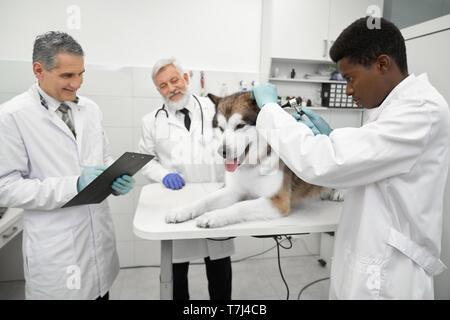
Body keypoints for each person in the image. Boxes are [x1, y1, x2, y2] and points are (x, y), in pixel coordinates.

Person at [252, 17, 450, 299]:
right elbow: (374, 166)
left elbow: (325, 163)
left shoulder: (422, 109)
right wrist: (330, 135)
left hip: (391, 275)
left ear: (382, 64)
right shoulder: (391, 106)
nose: (347, 90)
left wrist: (270, 111)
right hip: (369, 259)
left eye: (349, 78)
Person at [0, 31, 135, 299]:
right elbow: (6, 188)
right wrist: (74, 184)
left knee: (100, 292)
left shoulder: (90, 109)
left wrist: (114, 178)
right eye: (67, 76)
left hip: (98, 245)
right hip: (56, 256)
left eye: (81, 74)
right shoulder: (12, 116)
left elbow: (103, 157)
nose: (77, 84)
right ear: (39, 70)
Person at [138, 58, 234, 300]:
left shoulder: (215, 108)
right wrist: (163, 174)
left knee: (219, 266)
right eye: (163, 85)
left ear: (186, 79)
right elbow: (145, 159)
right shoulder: (151, 121)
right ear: (158, 90)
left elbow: (235, 141)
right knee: (176, 269)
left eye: (174, 80)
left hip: (214, 197)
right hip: (177, 201)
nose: (171, 88)